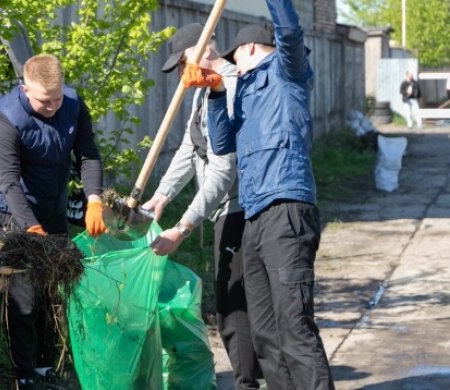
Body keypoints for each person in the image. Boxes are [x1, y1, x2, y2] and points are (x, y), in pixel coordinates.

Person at [182, 0, 335, 388]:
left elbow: (289, 31)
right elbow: (221, 142)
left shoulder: (288, 73)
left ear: (249, 49)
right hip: (253, 217)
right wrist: (216, 92)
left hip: (287, 208)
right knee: (265, 333)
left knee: (294, 328)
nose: (230, 65)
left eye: (233, 58)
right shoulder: (245, 91)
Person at [141, 23, 262, 389]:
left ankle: (246, 383)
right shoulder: (202, 89)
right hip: (220, 207)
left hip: (239, 207)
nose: (180, 72)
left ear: (204, 48)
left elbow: (224, 169)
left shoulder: (231, 84)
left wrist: (184, 224)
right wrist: (162, 195)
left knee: (233, 307)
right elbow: (189, 147)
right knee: (231, 302)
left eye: (181, 62)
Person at [0, 53, 106, 390]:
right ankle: (24, 373)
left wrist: (94, 198)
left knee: (53, 285)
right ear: (25, 89)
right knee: (23, 288)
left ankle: (45, 367)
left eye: (57, 99)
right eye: (43, 101)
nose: (52, 107)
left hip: (52, 203)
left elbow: (88, 154)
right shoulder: (5, 118)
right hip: (11, 208)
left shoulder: (73, 104)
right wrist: (30, 229)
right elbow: (7, 180)